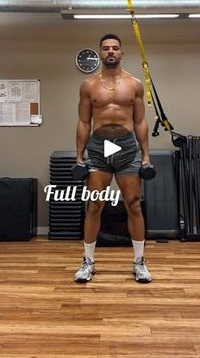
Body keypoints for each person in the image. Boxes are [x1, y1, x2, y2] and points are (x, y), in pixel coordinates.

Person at [74, 33, 153, 283]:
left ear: (121, 53)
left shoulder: (134, 84)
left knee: (133, 204)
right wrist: (79, 156)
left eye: (115, 48)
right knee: (95, 205)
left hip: (126, 148)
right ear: (100, 53)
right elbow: (84, 122)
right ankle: (88, 263)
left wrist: (146, 156)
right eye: (106, 48)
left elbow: (140, 121)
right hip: (99, 149)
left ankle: (139, 262)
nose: (110, 51)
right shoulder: (88, 85)